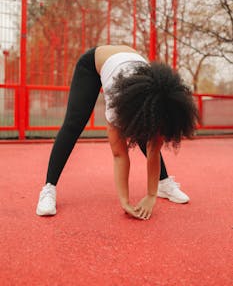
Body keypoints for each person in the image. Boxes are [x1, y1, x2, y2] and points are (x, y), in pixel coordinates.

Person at [36, 45, 199, 220]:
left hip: (128, 63)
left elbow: (154, 149)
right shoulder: (119, 103)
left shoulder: (163, 103)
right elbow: (119, 155)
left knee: (148, 131)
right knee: (73, 123)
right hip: (93, 63)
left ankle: (163, 184)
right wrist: (124, 201)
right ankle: (48, 188)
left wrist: (151, 195)